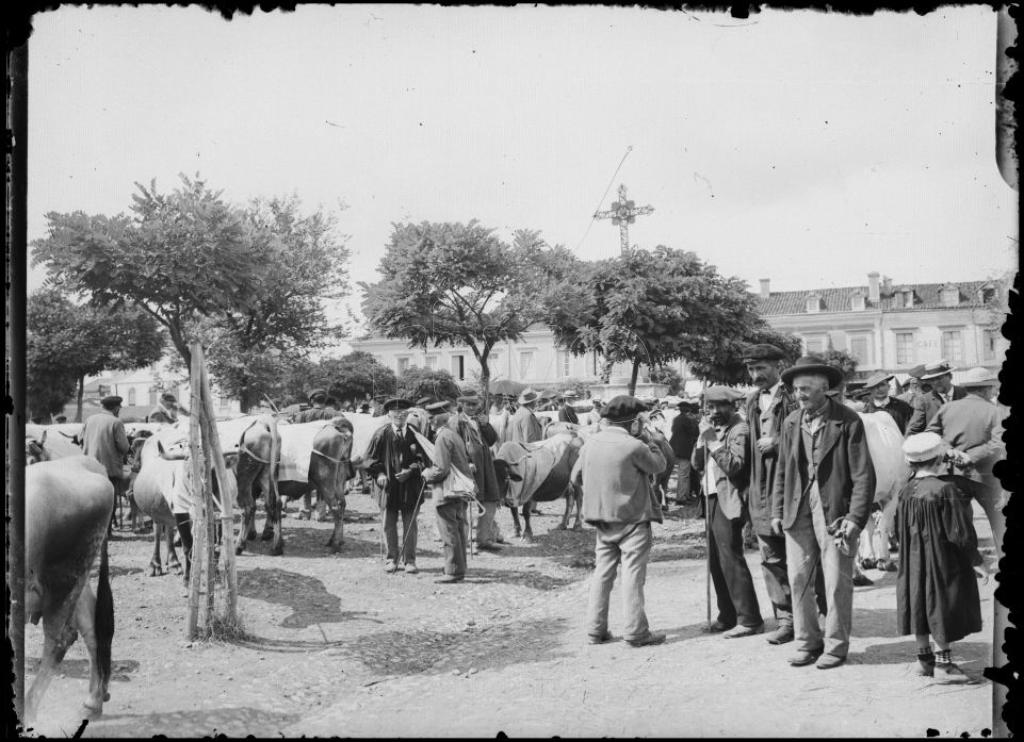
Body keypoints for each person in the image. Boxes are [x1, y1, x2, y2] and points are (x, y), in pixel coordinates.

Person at [772, 355, 876, 670]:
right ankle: (807, 643)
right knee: (799, 577)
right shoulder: (791, 422)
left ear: (824, 387)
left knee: (836, 580)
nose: (799, 395)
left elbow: (863, 475)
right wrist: (777, 509)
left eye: (805, 389)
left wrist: (856, 519)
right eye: (795, 390)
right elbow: (782, 469)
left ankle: (836, 646)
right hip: (797, 507)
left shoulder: (848, 420)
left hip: (835, 511)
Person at [742, 343, 826, 644]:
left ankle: (816, 617)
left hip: (795, 487)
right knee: (770, 558)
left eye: (760, 368)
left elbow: (811, 436)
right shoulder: (752, 401)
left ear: (777, 367)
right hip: (761, 491)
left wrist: (777, 442)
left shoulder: (796, 396)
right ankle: (786, 619)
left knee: (806, 557)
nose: (755, 374)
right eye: (751, 369)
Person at [575, 395, 667, 647]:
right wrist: (652, 442)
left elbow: (576, 477)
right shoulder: (634, 446)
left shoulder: (590, 444)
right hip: (633, 519)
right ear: (634, 422)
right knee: (632, 576)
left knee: (602, 574)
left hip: (602, 521)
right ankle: (636, 631)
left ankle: (595, 630)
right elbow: (659, 466)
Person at [895, 432, 984, 683]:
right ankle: (943, 666)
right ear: (939, 460)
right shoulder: (945, 489)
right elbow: (959, 531)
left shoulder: (905, 490)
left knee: (919, 602)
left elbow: (896, 528)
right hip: (941, 560)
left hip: (913, 560)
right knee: (940, 604)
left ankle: (924, 660)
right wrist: (976, 560)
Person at [692, 386, 763, 637]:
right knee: (715, 560)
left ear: (732, 406)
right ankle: (727, 615)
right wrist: (702, 441)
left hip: (729, 500)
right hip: (710, 498)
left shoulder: (739, 430)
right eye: (709, 407)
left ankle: (750, 618)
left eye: (718, 406)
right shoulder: (714, 429)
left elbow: (735, 466)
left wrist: (712, 442)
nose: (713, 412)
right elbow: (696, 465)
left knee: (730, 559)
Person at [925, 367, 1006, 550]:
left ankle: (966, 567)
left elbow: (930, 436)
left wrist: (951, 453)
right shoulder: (994, 412)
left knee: (956, 527)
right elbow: (999, 443)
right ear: (985, 389)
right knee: (999, 525)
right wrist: (970, 456)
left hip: (951, 475)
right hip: (985, 477)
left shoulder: (947, 408)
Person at [363, 398, 427, 574]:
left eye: (403, 411)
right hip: (388, 486)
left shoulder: (416, 434)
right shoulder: (381, 434)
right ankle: (391, 559)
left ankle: (410, 561)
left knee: (410, 524)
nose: (399, 414)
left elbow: (425, 459)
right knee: (388, 524)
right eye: (395, 412)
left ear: (407, 414)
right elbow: (369, 459)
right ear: (389, 414)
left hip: (410, 486)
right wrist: (380, 474)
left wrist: (412, 470)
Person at [421, 400, 475, 583]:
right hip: (459, 491)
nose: (428, 422)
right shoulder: (453, 435)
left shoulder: (442, 437)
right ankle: (458, 567)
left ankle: (452, 571)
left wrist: (427, 474)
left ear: (437, 419)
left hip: (446, 492)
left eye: (430, 418)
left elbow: (441, 469)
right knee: (459, 530)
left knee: (449, 532)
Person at [455, 390, 504, 550]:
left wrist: (485, 424)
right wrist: (466, 462)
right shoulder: (457, 422)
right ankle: (464, 541)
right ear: (461, 404)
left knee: (490, 499)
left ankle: (483, 539)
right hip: (468, 469)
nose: (471, 407)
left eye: (474, 404)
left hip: (485, 466)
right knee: (465, 504)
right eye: (468, 404)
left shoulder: (479, 420)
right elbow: (455, 446)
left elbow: (491, 441)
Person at [82, 395, 132, 531]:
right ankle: (106, 530)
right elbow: (124, 447)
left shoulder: (89, 420)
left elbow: (82, 440)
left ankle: (92, 529)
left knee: (91, 499)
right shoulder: (116, 422)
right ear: (116, 408)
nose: (120, 409)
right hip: (109, 469)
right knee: (109, 500)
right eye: (119, 407)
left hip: (89, 467)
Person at [906, 361, 967, 435]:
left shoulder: (966, 394)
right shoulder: (925, 400)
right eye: (931, 380)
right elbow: (913, 430)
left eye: (939, 378)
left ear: (950, 377)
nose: (935, 382)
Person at [669, 400, 700, 505]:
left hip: (673, 448)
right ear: (688, 410)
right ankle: (681, 497)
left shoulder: (676, 419)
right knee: (684, 475)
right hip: (684, 450)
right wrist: (695, 422)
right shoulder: (689, 420)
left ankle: (684, 495)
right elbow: (695, 432)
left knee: (676, 474)